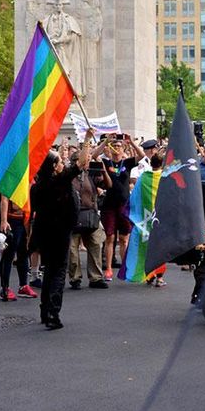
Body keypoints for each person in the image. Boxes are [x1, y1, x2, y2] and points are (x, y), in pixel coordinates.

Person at [31, 143, 88, 329]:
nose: (63, 164)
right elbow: (81, 163)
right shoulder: (59, 181)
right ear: (54, 167)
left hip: (44, 232)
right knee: (58, 272)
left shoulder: (38, 186)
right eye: (60, 162)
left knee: (49, 270)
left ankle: (44, 310)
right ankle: (53, 312)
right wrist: (87, 139)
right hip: (59, 232)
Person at [94, 134, 142, 280]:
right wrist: (106, 142)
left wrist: (131, 142)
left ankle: (125, 267)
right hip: (109, 206)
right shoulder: (106, 162)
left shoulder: (127, 163)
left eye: (119, 146)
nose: (116, 148)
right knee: (110, 237)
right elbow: (94, 155)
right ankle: (108, 269)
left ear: (123, 149)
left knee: (124, 238)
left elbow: (141, 155)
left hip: (124, 205)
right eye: (114, 146)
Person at [69, 132, 112, 290]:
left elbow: (108, 185)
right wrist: (87, 140)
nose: (87, 162)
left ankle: (95, 277)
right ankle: (75, 278)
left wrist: (103, 171)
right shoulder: (69, 175)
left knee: (95, 246)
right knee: (72, 250)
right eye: (84, 160)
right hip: (73, 217)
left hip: (91, 215)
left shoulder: (91, 174)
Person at [0, 193, 36, 301]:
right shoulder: (9, 177)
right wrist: (4, 221)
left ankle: (23, 285)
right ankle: (5, 288)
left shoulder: (27, 178)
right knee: (9, 254)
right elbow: (4, 199)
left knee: (24, 253)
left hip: (24, 219)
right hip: (12, 219)